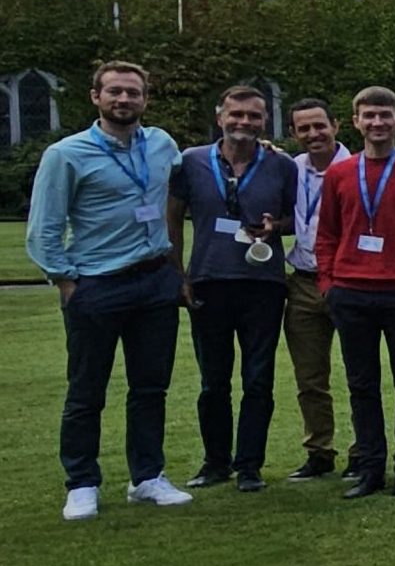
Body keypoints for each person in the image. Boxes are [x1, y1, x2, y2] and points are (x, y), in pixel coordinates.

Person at [30, 61, 192, 521]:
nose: (124, 100)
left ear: (145, 99)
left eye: (133, 93)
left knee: (150, 387)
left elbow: (191, 173)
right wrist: (64, 280)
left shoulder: (162, 145)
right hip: (97, 284)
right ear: (96, 96)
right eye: (115, 92)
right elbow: (44, 227)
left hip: (154, 279)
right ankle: (81, 483)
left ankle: (147, 477)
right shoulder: (67, 154)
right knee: (86, 390)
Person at [311, 86, 395, 499]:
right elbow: (328, 233)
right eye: (368, 116)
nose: (377, 123)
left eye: (385, 116)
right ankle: (370, 468)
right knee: (361, 385)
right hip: (351, 293)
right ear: (354, 122)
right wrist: (328, 284)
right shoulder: (339, 173)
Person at [169, 84, 296, 493]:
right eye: (236, 114)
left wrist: (275, 226)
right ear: (220, 116)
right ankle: (215, 462)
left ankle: (250, 466)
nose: (244, 122)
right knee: (213, 380)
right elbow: (171, 219)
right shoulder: (190, 162)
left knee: (259, 377)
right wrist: (179, 275)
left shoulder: (282, 165)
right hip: (209, 280)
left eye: (254, 116)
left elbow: (298, 220)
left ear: (265, 121)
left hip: (263, 284)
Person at [281, 98, 348, 481]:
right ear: (293, 133)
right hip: (303, 282)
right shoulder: (289, 170)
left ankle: (363, 452)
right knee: (309, 377)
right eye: (303, 128)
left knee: (360, 372)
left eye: (319, 125)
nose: (313, 134)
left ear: (336, 125)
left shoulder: (357, 168)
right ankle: (319, 452)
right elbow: (292, 218)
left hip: (348, 280)